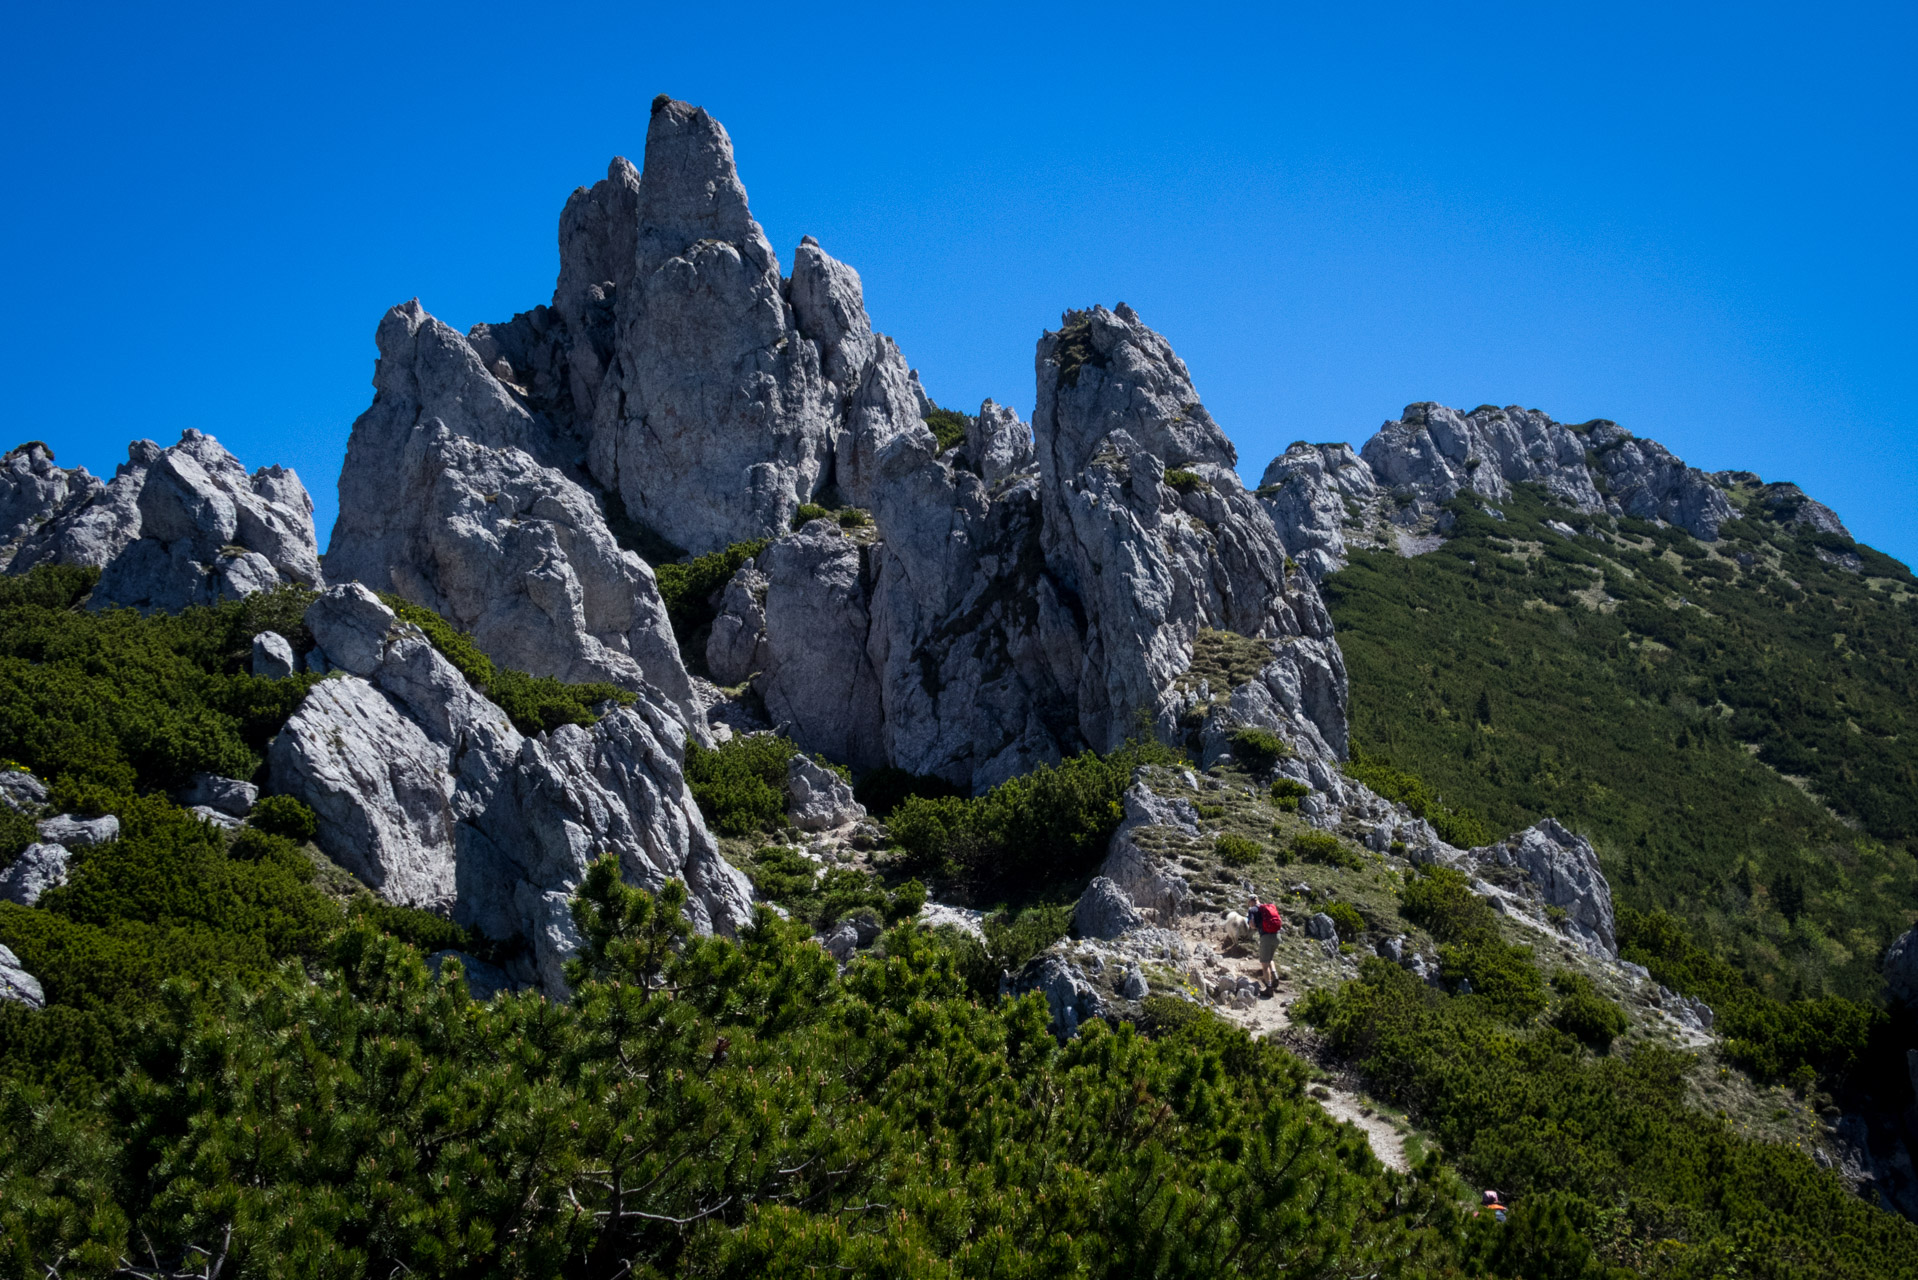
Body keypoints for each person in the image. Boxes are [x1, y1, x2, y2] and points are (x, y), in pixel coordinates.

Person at [1246, 893, 1283, 992]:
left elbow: (1252, 925)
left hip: (1266, 937)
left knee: (1264, 964)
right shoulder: (1267, 907)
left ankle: (1269, 988)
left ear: (1251, 901)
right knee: (1270, 958)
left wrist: (1256, 927)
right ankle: (1274, 974)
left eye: (1248, 903)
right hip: (1277, 936)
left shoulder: (1252, 910)